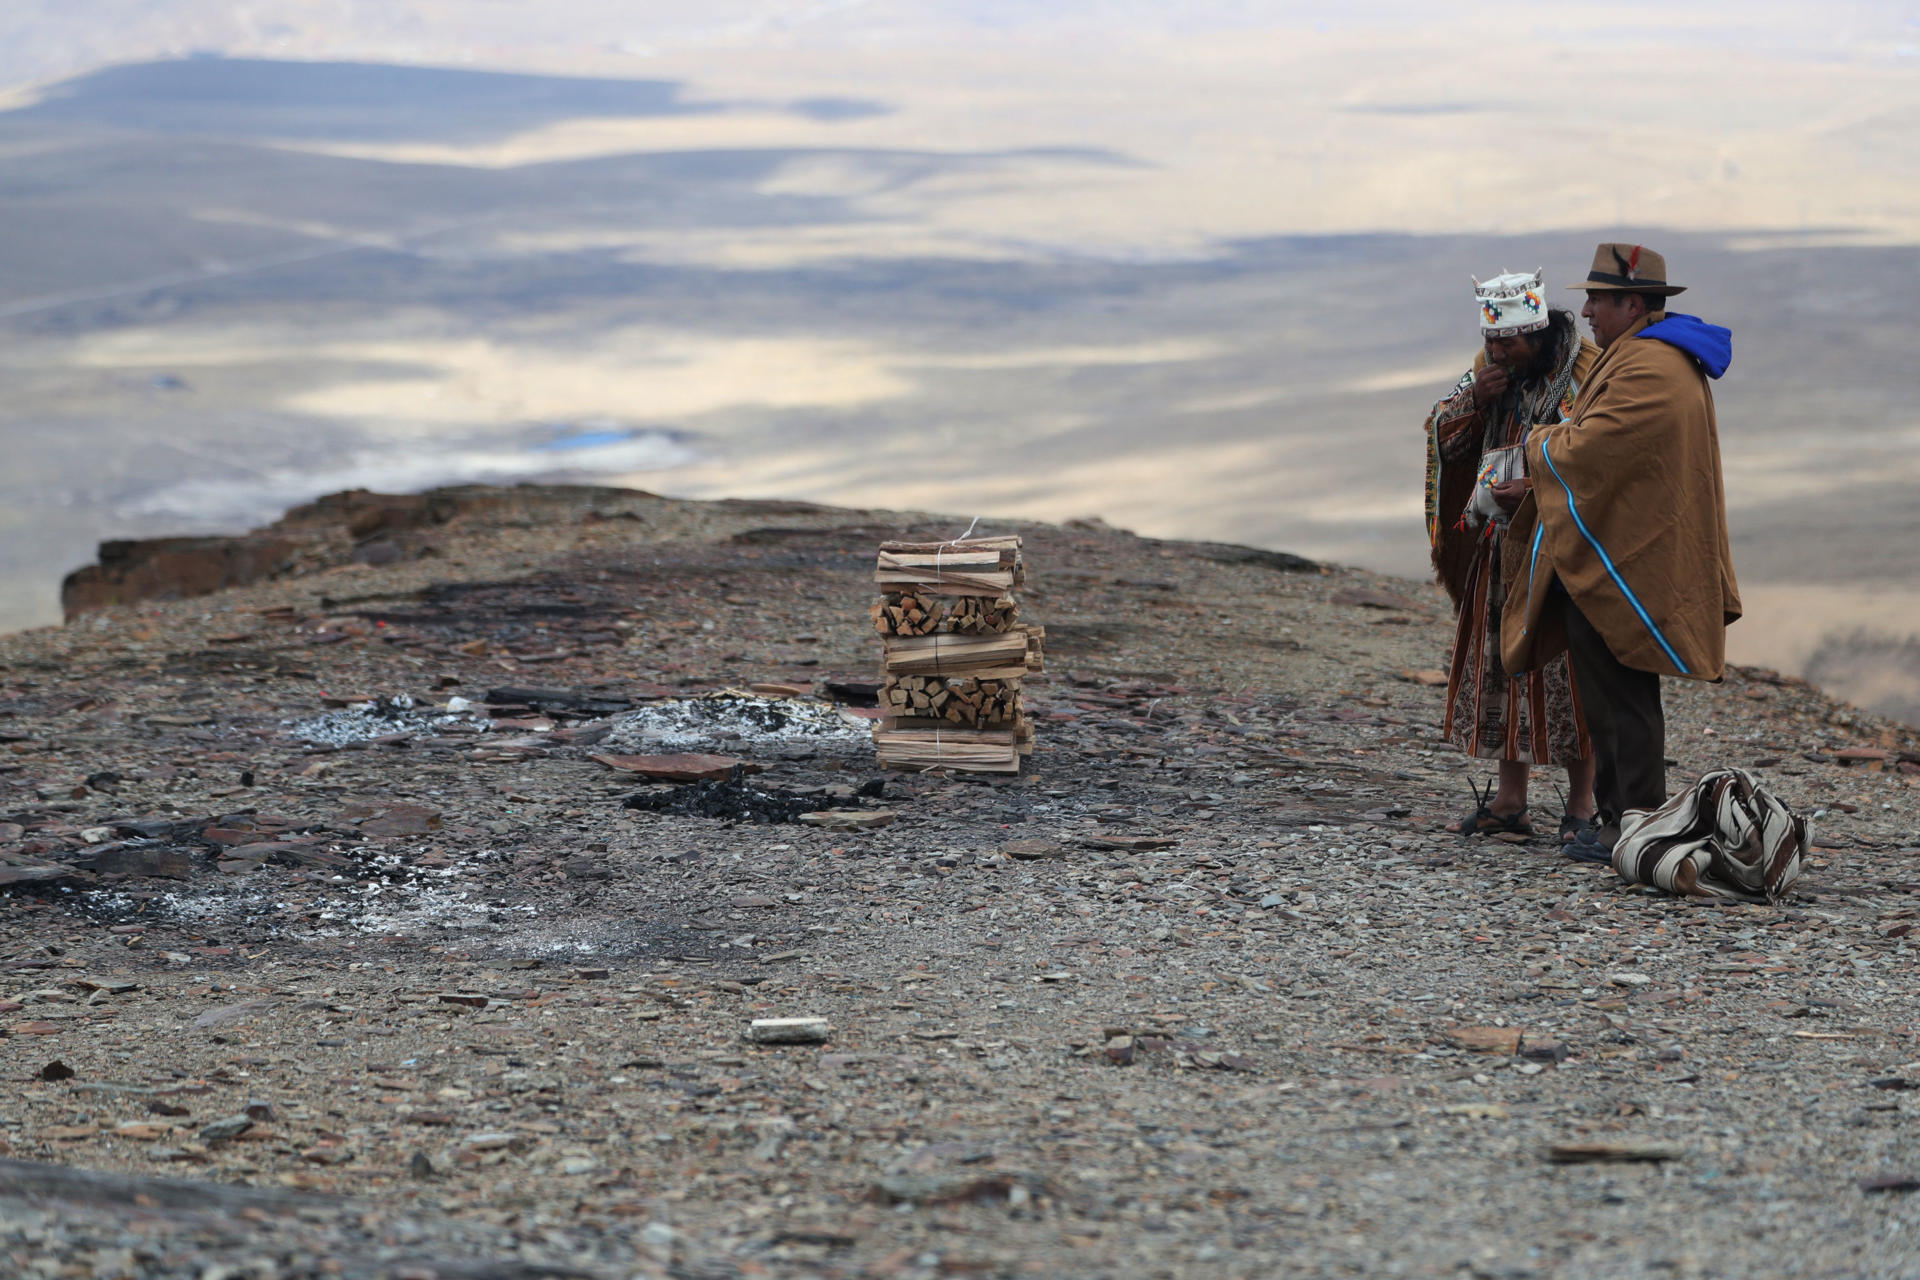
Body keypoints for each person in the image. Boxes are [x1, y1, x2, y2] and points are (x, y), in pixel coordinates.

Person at [1499, 244, 1741, 857]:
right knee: (1608, 693)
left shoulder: (1651, 366)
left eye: (1598, 300)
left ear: (1633, 303)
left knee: (1623, 697)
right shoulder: (1640, 355)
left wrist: (1537, 446)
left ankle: (1630, 824)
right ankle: (1616, 820)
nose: (1585, 312)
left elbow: (1599, 445)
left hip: (1627, 561)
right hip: (1617, 550)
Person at [1423, 270, 1598, 842]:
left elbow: (1599, 452)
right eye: (1490, 340)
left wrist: (1536, 485)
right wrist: (1476, 399)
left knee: (1571, 674)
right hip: (1500, 549)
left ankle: (1582, 807)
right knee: (1502, 665)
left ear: (1540, 332)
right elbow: (1442, 429)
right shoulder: (1488, 372)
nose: (1496, 351)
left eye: (1509, 342)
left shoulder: (1584, 375)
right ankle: (1510, 801)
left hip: (1562, 551)